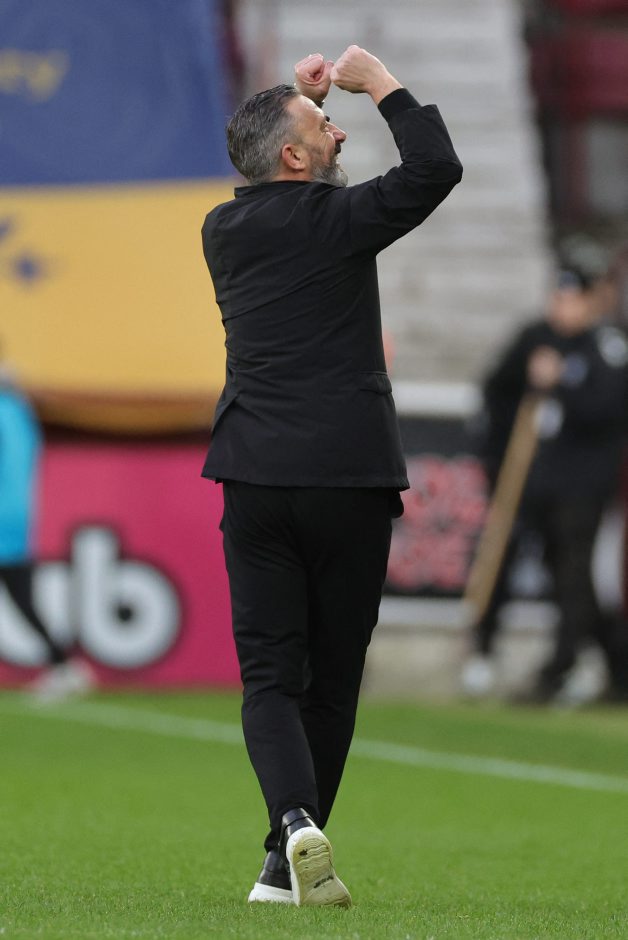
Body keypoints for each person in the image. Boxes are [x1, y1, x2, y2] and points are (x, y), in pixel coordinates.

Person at [200, 46, 462, 905]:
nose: (337, 131)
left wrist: (304, 104)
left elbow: (293, 189)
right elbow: (435, 168)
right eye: (323, 127)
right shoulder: (339, 221)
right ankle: (284, 861)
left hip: (255, 475)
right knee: (334, 678)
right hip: (348, 475)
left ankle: (291, 835)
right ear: (293, 156)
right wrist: (379, 83)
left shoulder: (222, 230)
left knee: (270, 677)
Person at [461, 268, 628, 704]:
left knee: (572, 576)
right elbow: (496, 392)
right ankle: (483, 652)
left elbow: (607, 410)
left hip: (580, 487)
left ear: (590, 302)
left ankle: (566, 667)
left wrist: (562, 382)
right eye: (558, 298)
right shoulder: (534, 337)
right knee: (505, 556)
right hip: (530, 480)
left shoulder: (607, 347)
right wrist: (496, 460)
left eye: (572, 300)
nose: (562, 308)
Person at [0, 355, 95, 700]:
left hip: (5, 518)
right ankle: (62, 664)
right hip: (16, 517)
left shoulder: (7, 410)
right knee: (23, 600)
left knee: (23, 600)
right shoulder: (19, 409)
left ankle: (62, 664)